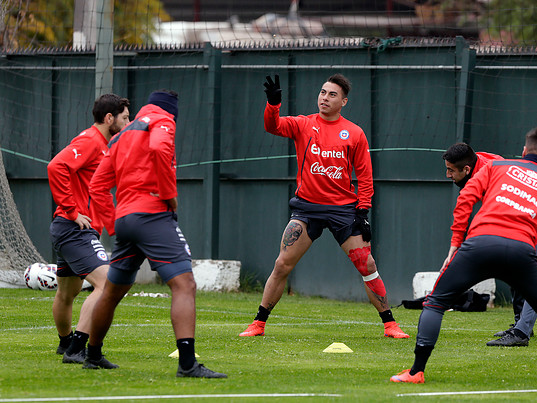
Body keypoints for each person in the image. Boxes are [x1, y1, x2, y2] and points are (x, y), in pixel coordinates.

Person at [391, 127, 537, 384]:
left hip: (479, 245)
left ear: (523, 151)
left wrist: (455, 244)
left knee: (436, 303)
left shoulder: (497, 166)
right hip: (522, 253)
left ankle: (416, 372)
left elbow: (466, 198)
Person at [239, 74, 409, 339]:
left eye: (332, 95)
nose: (325, 98)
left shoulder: (354, 133)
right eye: (322, 92)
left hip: (344, 211)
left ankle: (390, 325)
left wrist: (362, 211)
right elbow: (272, 127)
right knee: (282, 264)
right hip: (306, 210)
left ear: (344, 101)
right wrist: (273, 104)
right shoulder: (302, 124)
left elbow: (364, 176)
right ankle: (258, 323)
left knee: (367, 265)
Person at [86, 90, 227, 379]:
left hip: (126, 220)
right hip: (152, 215)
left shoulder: (120, 135)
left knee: (111, 293)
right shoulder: (163, 121)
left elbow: (97, 186)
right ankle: (188, 364)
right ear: (172, 112)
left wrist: (113, 226)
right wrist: (169, 196)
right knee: (185, 284)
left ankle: (92, 354)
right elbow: (161, 149)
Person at [443, 143, 537, 347]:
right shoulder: (477, 164)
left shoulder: (494, 173)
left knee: (536, 279)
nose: (447, 175)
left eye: (451, 170)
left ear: (466, 169)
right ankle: (519, 324)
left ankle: (522, 333)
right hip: (522, 225)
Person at [47, 93, 130, 364]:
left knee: (67, 292)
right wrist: (72, 211)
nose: (128, 123)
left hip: (68, 229)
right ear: (109, 119)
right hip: (73, 229)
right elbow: (56, 166)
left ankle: (64, 343)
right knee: (107, 284)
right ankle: (76, 349)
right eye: (125, 118)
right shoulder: (90, 141)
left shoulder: (104, 145)